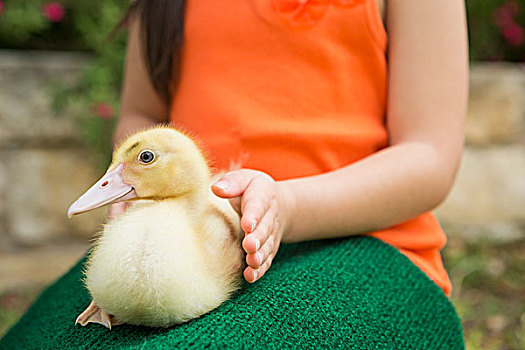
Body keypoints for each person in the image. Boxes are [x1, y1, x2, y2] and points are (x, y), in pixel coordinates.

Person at [110, 0, 468, 296]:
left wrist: (287, 207)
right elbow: (142, 114)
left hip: (373, 245)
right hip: (195, 244)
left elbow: (429, 154)